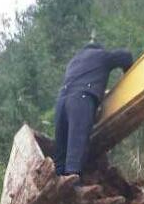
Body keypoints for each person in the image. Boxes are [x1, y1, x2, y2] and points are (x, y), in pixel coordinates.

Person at [54, 36, 133, 183]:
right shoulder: (101, 55)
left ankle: (56, 188)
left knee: (60, 155)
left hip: (61, 102)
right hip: (81, 101)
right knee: (75, 153)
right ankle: (73, 192)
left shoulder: (73, 61)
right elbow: (126, 56)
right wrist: (127, 75)